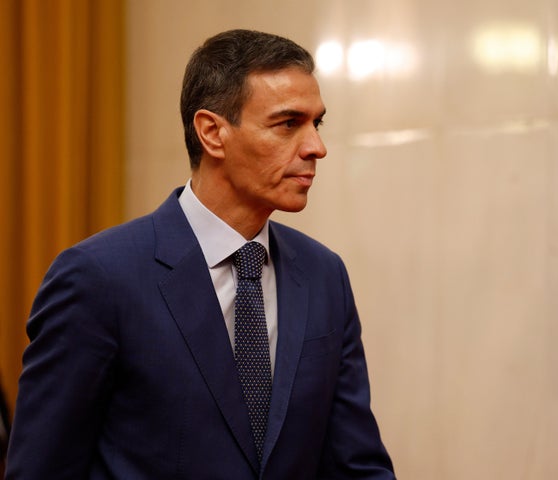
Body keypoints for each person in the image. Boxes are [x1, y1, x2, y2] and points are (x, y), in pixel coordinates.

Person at [6, 29, 395, 479]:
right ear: (212, 133)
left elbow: (355, 465)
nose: (316, 148)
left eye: (316, 124)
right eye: (288, 124)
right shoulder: (99, 278)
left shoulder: (324, 275)